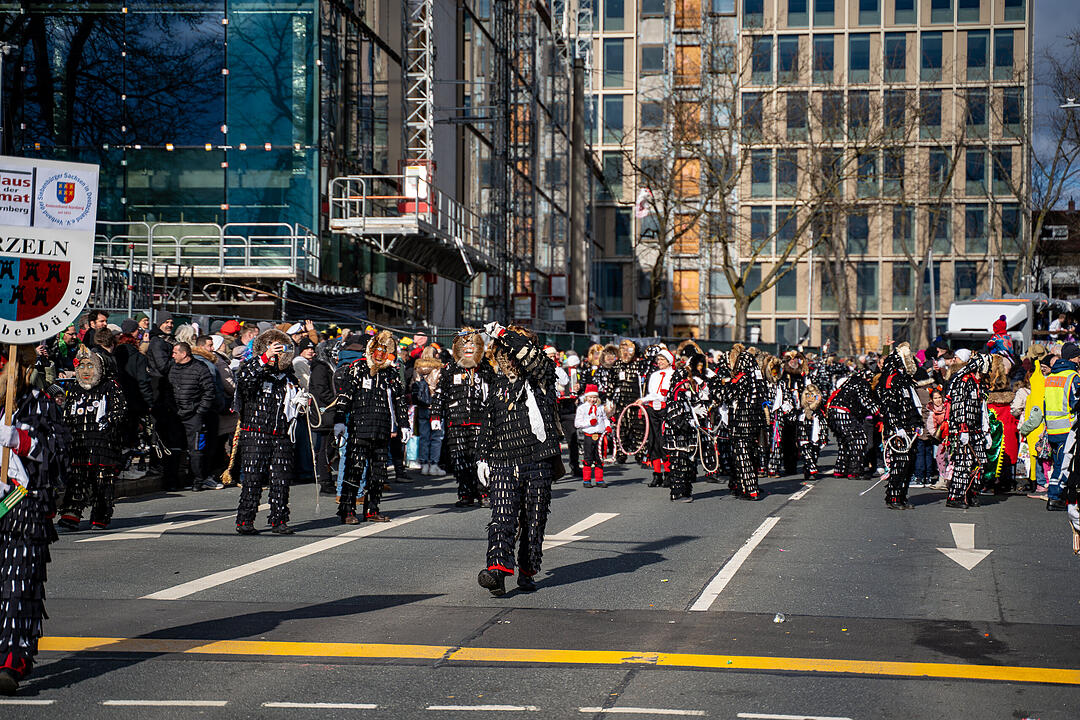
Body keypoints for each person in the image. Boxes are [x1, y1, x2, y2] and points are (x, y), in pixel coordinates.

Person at [0, 345, 69, 695]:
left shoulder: (40, 403)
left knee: (18, 587)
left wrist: (22, 441)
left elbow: (58, 452)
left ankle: (12, 659)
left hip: (23, 507)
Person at [475, 323, 561, 596]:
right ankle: (497, 572)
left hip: (538, 460)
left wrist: (502, 332)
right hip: (502, 461)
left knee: (534, 520)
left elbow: (531, 359)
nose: (506, 359)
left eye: (510, 352)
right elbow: (489, 422)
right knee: (501, 517)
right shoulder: (498, 383)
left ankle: (527, 570)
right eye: (502, 353)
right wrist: (482, 458)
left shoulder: (542, 375)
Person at [334, 330, 408, 524]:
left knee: (378, 473)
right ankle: (347, 510)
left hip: (382, 430)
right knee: (354, 470)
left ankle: (372, 509)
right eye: (377, 349)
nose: (380, 354)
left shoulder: (391, 373)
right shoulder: (357, 368)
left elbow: (399, 401)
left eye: (384, 350)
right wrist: (339, 420)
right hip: (359, 428)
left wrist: (404, 425)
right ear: (370, 350)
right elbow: (345, 397)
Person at [234, 330, 302, 534]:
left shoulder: (288, 375)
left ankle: (279, 520)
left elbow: (293, 398)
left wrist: (300, 400)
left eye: (281, 348)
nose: (278, 352)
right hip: (256, 432)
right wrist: (266, 357)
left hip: (281, 433)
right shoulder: (251, 366)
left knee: (281, 479)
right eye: (274, 347)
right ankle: (245, 520)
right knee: (253, 478)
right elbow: (246, 382)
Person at [56, 346, 128, 531]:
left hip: (104, 443)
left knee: (102, 481)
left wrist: (109, 421)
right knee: (77, 480)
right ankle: (71, 515)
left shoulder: (111, 386)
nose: (85, 371)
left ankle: (100, 516)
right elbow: (67, 413)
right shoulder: (73, 388)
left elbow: (120, 411)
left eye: (90, 366)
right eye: (81, 366)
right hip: (79, 442)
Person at [432, 328, 492, 508]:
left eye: (472, 344)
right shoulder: (450, 368)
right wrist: (435, 415)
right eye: (464, 344)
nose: (468, 348)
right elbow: (440, 394)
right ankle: (465, 493)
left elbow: (494, 393)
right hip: (455, 421)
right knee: (459, 459)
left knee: (480, 458)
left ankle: (484, 492)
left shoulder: (485, 368)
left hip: (480, 420)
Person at [877, 343, 922, 509]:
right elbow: (888, 406)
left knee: (908, 465)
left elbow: (912, 404)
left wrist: (917, 423)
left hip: (909, 429)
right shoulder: (891, 380)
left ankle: (902, 496)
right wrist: (897, 427)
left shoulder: (905, 381)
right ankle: (893, 498)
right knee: (899, 464)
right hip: (898, 431)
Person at [169, 342, 219, 492]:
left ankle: (198, 479)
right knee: (175, 448)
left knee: (196, 449)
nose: (172, 355)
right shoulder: (173, 368)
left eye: (175, 352)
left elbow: (209, 392)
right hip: (177, 415)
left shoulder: (200, 368)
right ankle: (174, 481)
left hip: (194, 416)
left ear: (183, 354)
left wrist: (200, 411)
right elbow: (168, 388)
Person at [946, 353, 992, 508]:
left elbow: (983, 409)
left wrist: (986, 431)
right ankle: (955, 497)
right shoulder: (963, 382)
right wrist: (963, 428)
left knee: (981, 462)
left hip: (977, 429)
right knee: (963, 463)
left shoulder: (979, 384)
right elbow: (959, 406)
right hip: (962, 429)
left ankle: (971, 492)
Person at [1042, 342, 1080, 511]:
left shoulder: (1051, 377)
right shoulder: (1073, 377)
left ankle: (1055, 495)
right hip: (1067, 428)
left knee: (1058, 462)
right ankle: (1055, 496)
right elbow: (1076, 402)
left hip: (1052, 428)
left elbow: (1045, 404)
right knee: (1064, 464)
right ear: (1073, 358)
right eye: (1078, 356)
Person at [639, 348, 675, 487]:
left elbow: (664, 394)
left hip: (666, 408)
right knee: (653, 441)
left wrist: (646, 399)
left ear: (668, 361)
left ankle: (668, 474)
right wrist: (644, 401)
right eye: (658, 359)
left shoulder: (673, 374)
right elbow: (652, 393)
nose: (659, 362)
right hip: (652, 408)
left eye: (662, 360)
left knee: (664, 441)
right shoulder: (653, 375)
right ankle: (657, 474)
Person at [412, 346, 444, 476]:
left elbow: (412, 385)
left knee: (424, 436)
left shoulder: (417, 368)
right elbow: (440, 386)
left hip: (422, 405)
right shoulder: (438, 368)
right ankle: (434, 464)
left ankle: (424, 464)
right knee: (436, 436)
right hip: (435, 405)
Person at [574, 384, 609, 487]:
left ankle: (599, 479)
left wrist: (607, 426)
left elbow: (604, 419)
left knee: (599, 458)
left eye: (594, 397)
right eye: (590, 397)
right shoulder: (582, 408)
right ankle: (587, 480)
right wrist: (590, 422)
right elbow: (577, 423)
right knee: (588, 458)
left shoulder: (600, 407)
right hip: (589, 435)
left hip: (600, 435)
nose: (592, 400)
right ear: (586, 397)